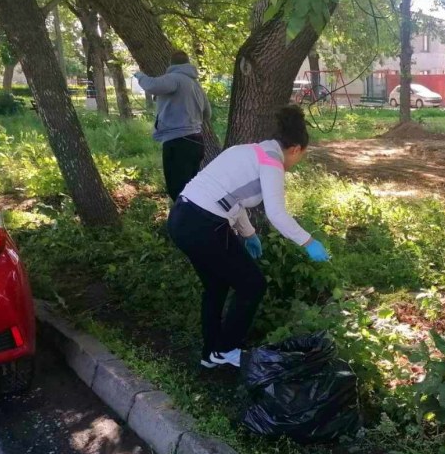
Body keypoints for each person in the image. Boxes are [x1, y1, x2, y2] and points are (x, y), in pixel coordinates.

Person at [167, 105, 330, 369]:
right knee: (253, 285)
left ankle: (211, 354)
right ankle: (227, 349)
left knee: (217, 286)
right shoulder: (271, 162)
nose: (296, 163)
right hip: (204, 225)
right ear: (296, 149)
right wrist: (308, 242)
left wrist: (249, 234)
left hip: (182, 218)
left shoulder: (246, 151)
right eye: (301, 157)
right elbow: (276, 213)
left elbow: (232, 199)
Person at [134, 50, 211, 201]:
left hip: (178, 143)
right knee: (192, 189)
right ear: (188, 64)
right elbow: (208, 114)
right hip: (197, 142)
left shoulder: (174, 78)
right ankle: (193, 220)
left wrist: (139, 75)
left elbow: (151, 86)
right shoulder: (196, 85)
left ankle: (182, 222)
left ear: (171, 65)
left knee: (178, 190)